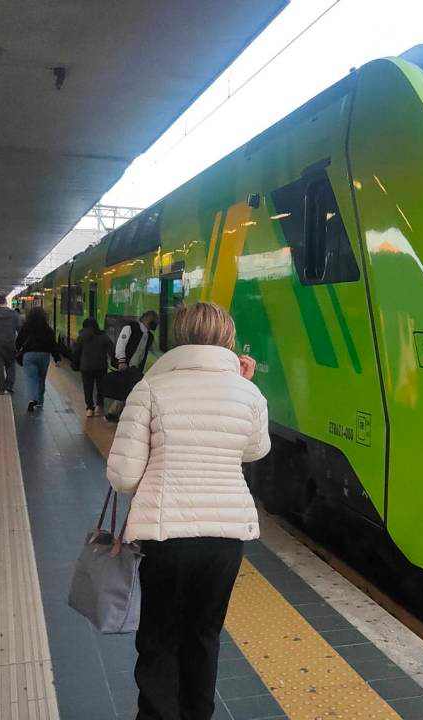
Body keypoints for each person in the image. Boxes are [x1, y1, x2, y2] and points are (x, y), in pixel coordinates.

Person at [107, 302, 268, 720]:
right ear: (228, 339)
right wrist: (243, 385)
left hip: (167, 536)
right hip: (226, 540)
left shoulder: (150, 387)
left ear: (177, 337)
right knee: (204, 635)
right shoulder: (247, 390)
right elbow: (255, 449)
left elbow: (123, 476)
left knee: (160, 636)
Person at [15, 307, 64, 413]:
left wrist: (17, 350)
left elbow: (18, 341)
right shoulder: (48, 328)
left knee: (31, 378)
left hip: (29, 355)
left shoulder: (26, 327)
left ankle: (32, 399)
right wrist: (57, 358)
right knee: (41, 379)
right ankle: (40, 401)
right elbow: (53, 345)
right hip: (44, 356)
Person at [75, 317, 116, 417]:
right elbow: (111, 350)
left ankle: (89, 408)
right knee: (100, 387)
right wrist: (115, 362)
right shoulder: (103, 336)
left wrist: (75, 363)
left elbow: (76, 351)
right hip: (101, 366)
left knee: (87, 387)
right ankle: (99, 406)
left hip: (86, 367)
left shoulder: (82, 336)